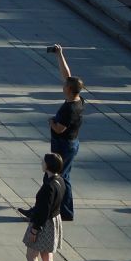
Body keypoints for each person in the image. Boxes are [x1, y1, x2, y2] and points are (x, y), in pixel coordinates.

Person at [19, 153, 66, 261]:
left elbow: (43, 211)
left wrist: (35, 229)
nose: (41, 163)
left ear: (48, 166)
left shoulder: (48, 187)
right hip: (54, 222)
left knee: (31, 256)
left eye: (43, 162)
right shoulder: (60, 181)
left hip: (43, 224)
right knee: (48, 257)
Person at [47, 46, 82, 221]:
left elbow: (60, 128)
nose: (63, 85)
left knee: (59, 176)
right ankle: (63, 210)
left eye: (65, 85)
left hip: (64, 145)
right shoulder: (77, 99)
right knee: (63, 175)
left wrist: (51, 122)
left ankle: (63, 210)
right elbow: (67, 75)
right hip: (70, 143)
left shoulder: (70, 108)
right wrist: (60, 54)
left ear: (69, 89)